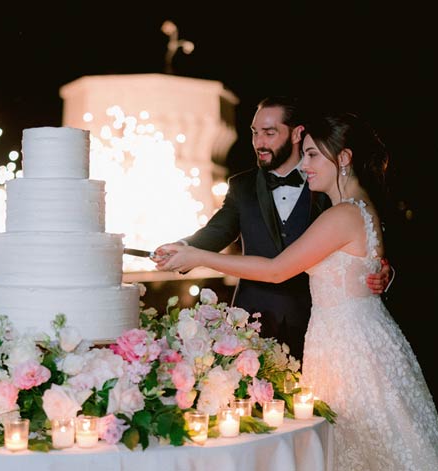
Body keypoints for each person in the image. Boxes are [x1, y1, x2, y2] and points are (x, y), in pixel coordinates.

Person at [155, 111, 438, 470]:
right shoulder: (360, 206)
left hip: (347, 349)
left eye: (313, 155)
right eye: (303, 154)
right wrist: (188, 248)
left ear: (345, 158)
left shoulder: (340, 214)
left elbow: (276, 270)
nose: (305, 165)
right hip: (354, 339)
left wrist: (200, 257)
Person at [154, 96, 389, 361]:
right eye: (255, 133)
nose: (259, 143)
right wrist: (184, 249)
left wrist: (378, 271)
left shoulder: (328, 183)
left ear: (297, 133)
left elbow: (365, 236)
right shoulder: (242, 186)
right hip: (254, 321)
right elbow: (217, 230)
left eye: (269, 133)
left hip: (320, 325)